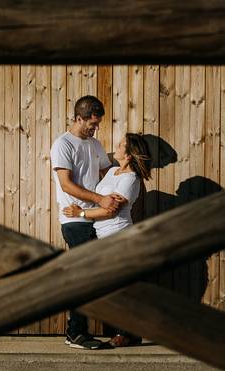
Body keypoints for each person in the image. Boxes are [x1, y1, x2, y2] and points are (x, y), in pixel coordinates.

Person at [63, 133, 152, 347]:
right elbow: (103, 202)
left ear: (130, 155)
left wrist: (81, 214)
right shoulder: (112, 172)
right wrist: (101, 203)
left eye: (122, 145)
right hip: (103, 237)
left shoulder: (131, 179)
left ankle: (127, 333)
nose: (117, 147)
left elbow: (111, 212)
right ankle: (129, 332)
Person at [51, 95, 124, 350]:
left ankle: (114, 331)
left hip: (97, 219)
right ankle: (76, 333)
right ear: (78, 118)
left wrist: (123, 185)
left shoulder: (95, 144)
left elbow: (106, 173)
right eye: (92, 124)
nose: (95, 129)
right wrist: (100, 199)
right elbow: (66, 184)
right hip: (74, 220)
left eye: (98, 124)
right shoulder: (63, 144)